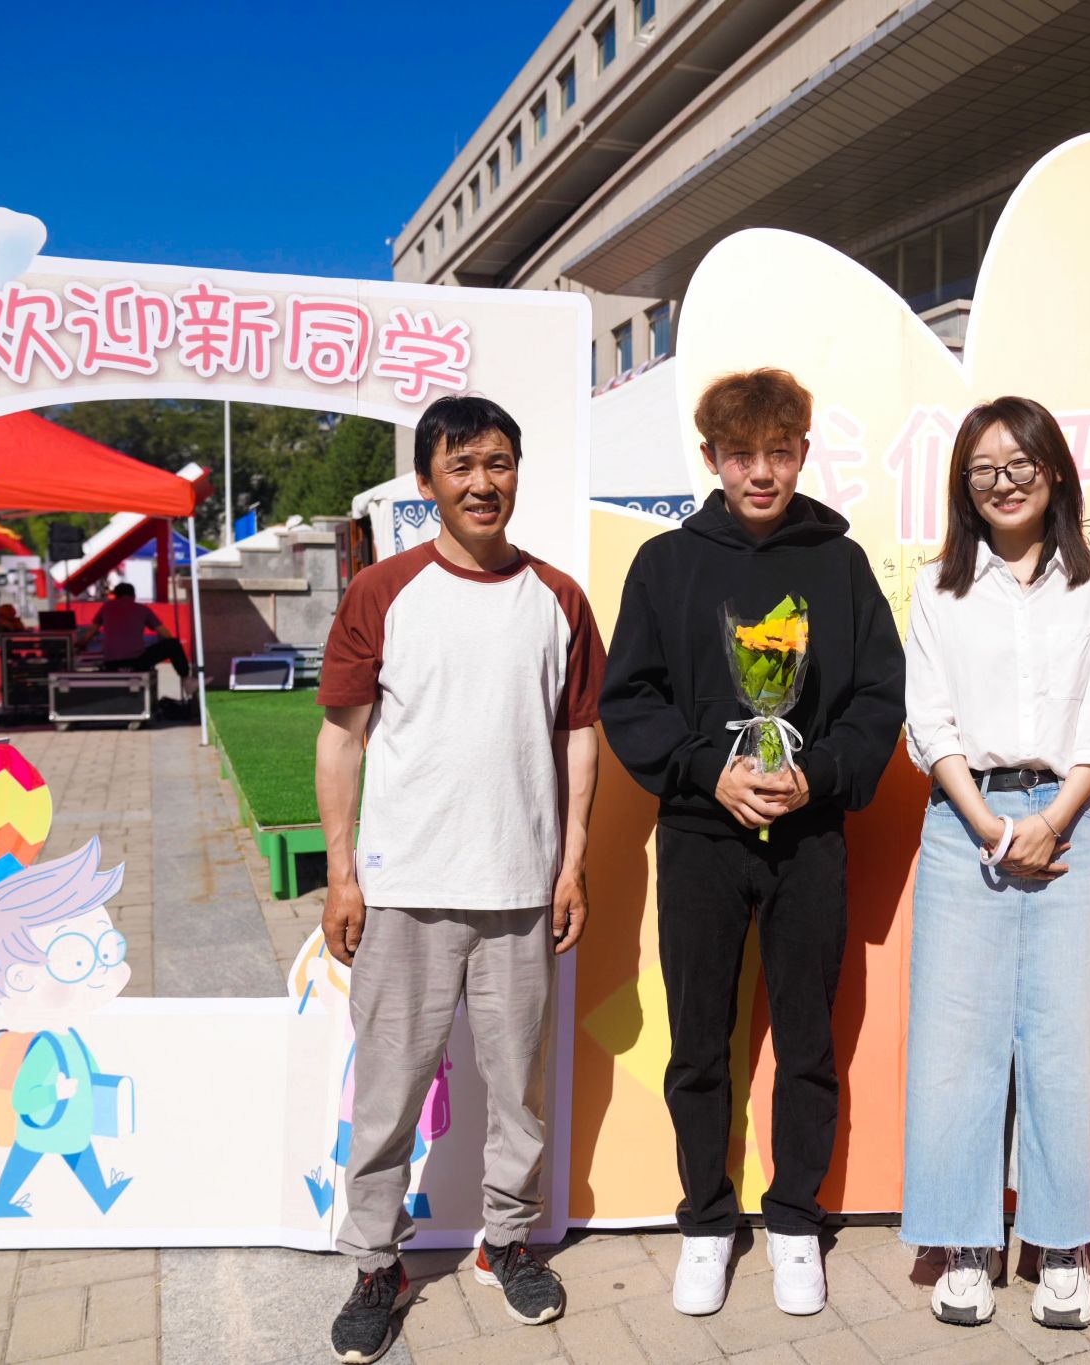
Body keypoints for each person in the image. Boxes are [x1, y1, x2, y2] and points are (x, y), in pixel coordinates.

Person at [601, 368, 905, 1319]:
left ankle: (796, 1219)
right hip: (700, 835)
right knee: (698, 1038)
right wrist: (708, 770)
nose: (761, 472)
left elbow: (879, 696)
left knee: (809, 1039)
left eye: (779, 452)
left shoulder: (840, 565)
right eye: (741, 455)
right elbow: (630, 697)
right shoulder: (665, 564)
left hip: (810, 837)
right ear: (712, 459)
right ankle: (705, 1220)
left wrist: (821, 773)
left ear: (804, 453)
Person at [316, 395, 604, 1361]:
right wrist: (343, 874)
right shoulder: (383, 591)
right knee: (387, 1093)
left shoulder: (559, 598)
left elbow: (579, 736)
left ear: (518, 470)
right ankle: (375, 1262)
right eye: (462, 465)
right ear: (427, 480)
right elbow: (341, 739)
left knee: (519, 1089)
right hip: (403, 890)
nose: (483, 483)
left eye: (499, 463)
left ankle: (507, 1243)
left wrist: (571, 862)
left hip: (521, 887)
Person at [899, 396, 1090, 1331]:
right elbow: (930, 722)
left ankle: (1060, 1244)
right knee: (957, 1041)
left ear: (1055, 470)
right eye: (983, 469)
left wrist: (1052, 818)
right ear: (965, 487)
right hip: (964, 823)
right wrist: (993, 827)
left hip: (1069, 820)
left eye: (1020, 463)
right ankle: (966, 1242)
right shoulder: (937, 588)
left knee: (1062, 1037)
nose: (1003, 482)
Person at [0, 838, 136, 1220]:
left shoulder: (67, 1035)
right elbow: (24, 1099)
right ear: (20, 978)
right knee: (32, 1156)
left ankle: (100, 1197)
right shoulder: (43, 1045)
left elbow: (87, 1065)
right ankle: (2, 1203)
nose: (104, 970)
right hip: (48, 1119)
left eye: (107, 950)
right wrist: (58, 1091)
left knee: (69, 1153)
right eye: (78, 960)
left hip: (68, 1119)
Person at [76, 583, 192, 699]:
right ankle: (186, 679)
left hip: (111, 663)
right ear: (134, 595)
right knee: (173, 644)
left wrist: (80, 644)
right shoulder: (143, 609)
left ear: (116, 596)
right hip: (136, 662)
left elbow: (90, 633)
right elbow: (166, 635)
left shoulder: (106, 607)